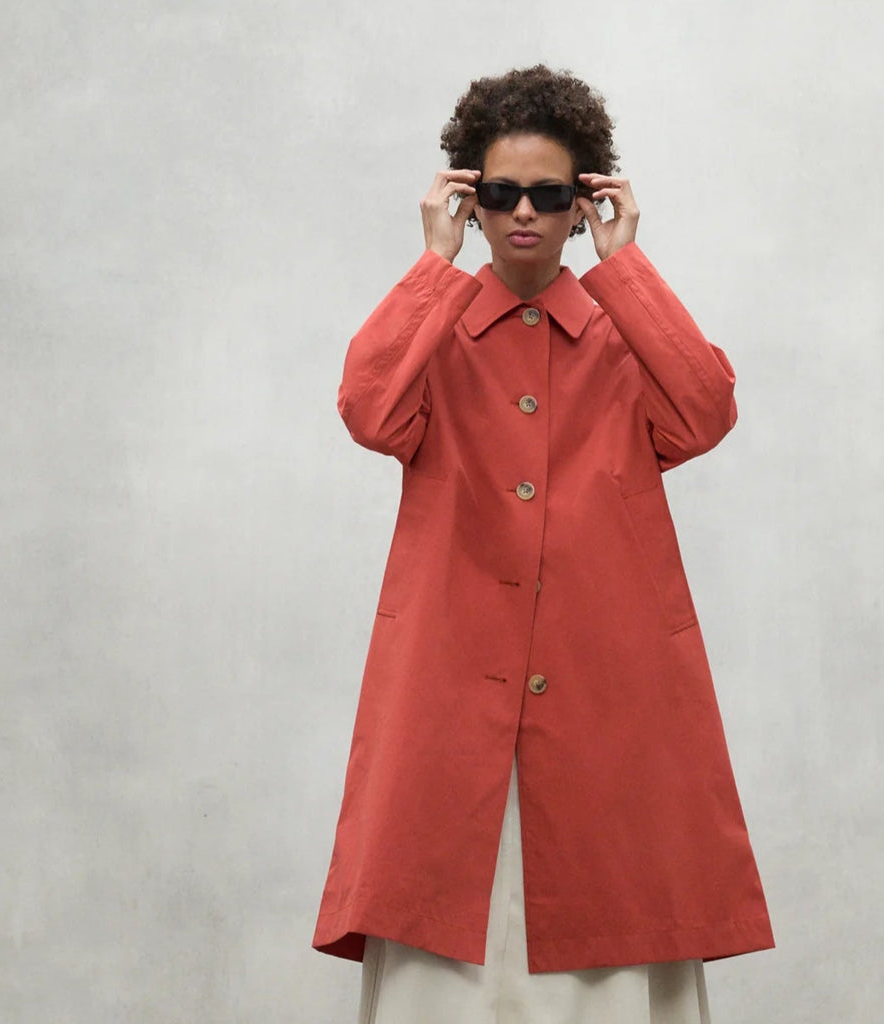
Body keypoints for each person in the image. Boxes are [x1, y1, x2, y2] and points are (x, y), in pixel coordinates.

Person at [312, 65, 774, 1024]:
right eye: (500, 193)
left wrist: (626, 266)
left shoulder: (624, 337)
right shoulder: (435, 335)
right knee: (447, 952)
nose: (525, 212)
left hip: (608, 708)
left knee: (608, 929)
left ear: (584, 202)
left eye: (551, 194)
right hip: (452, 704)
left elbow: (705, 412)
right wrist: (432, 268)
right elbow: (366, 410)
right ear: (471, 204)